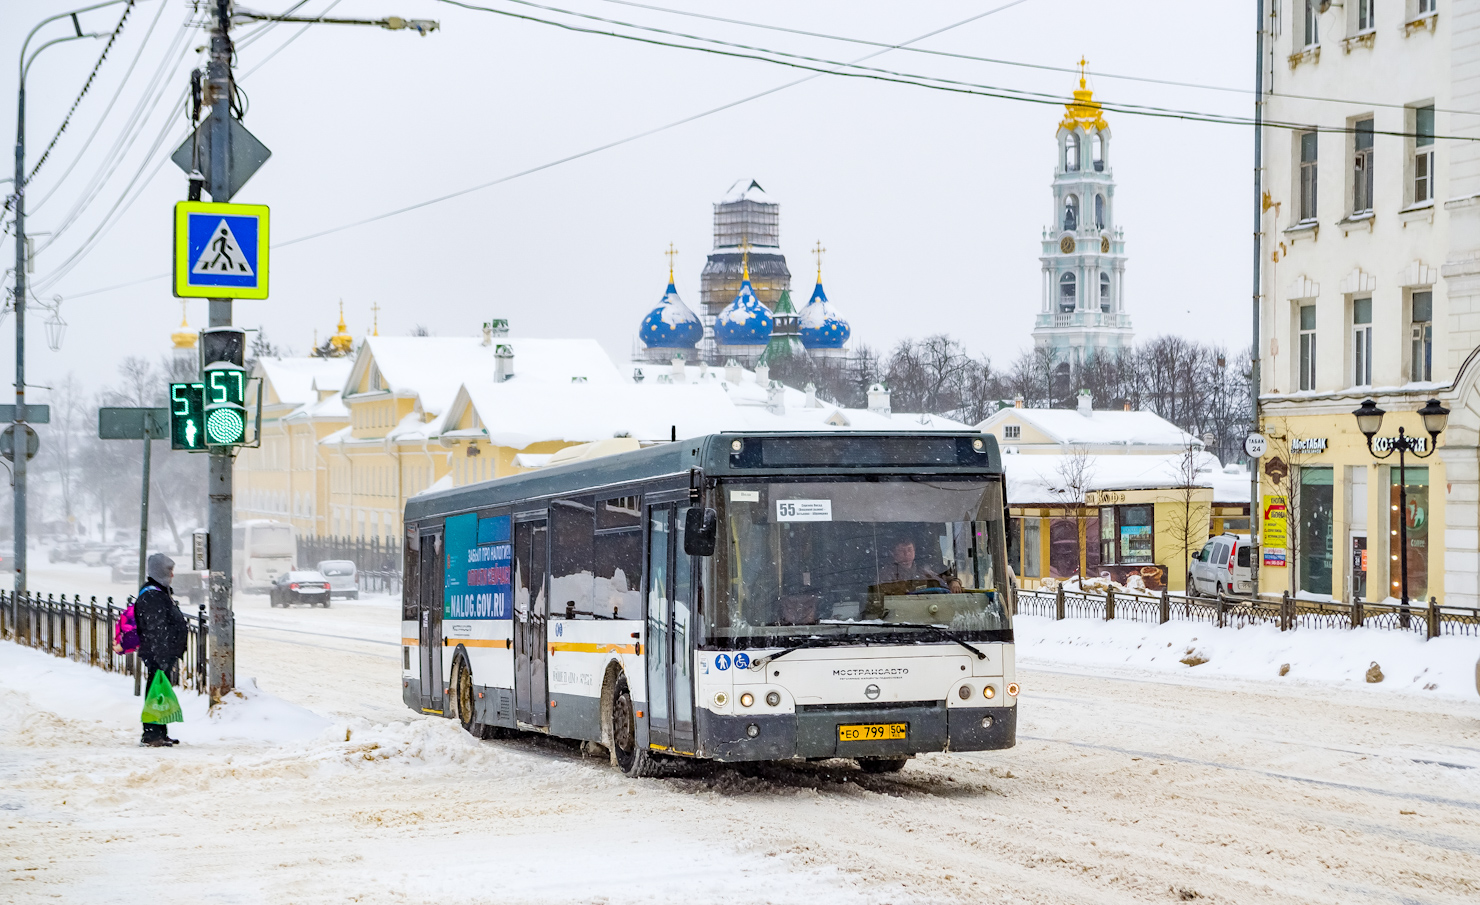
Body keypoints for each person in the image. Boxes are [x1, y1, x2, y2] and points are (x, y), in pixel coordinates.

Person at [135, 553, 187, 748]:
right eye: (169, 571)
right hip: (158, 654)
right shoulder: (152, 595)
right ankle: (151, 733)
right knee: (155, 692)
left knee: (160, 692)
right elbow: (156, 629)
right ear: (159, 572)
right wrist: (162, 655)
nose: (172, 575)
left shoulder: (158, 592)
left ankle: (159, 731)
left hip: (161, 653)